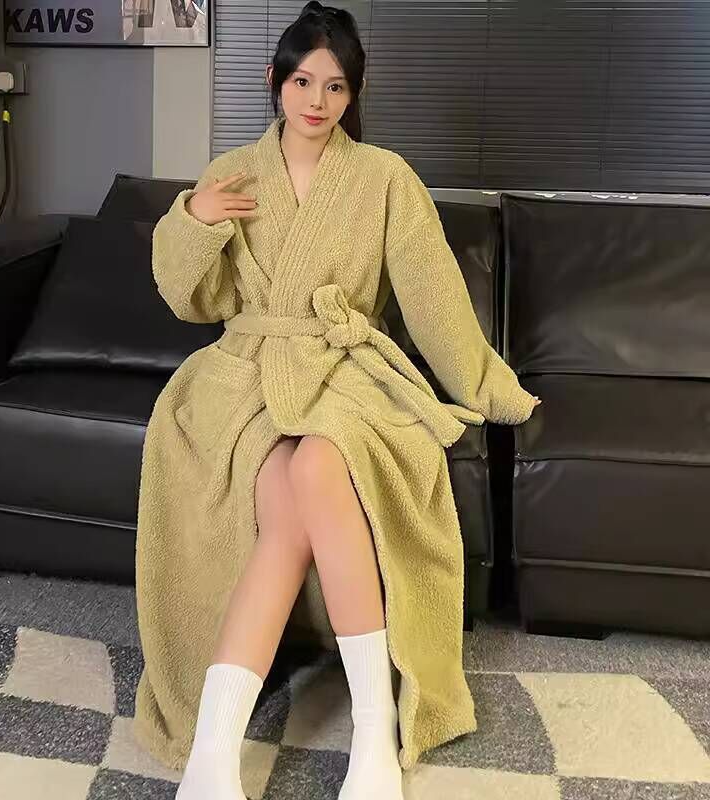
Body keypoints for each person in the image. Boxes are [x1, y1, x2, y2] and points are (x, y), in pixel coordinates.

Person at [133, 3, 542, 799]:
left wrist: (490, 388)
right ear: (274, 81)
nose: (316, 101)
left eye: (335, 86)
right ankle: (213, 756)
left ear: (353, 95)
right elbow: (189, 298)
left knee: (319, 468)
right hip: (247, 372)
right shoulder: (231, 173)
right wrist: (192, 219)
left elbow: (433, 300)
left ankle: (371, 737)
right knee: (286, 499)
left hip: (343, 369)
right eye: (302, 81)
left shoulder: (384, 178)